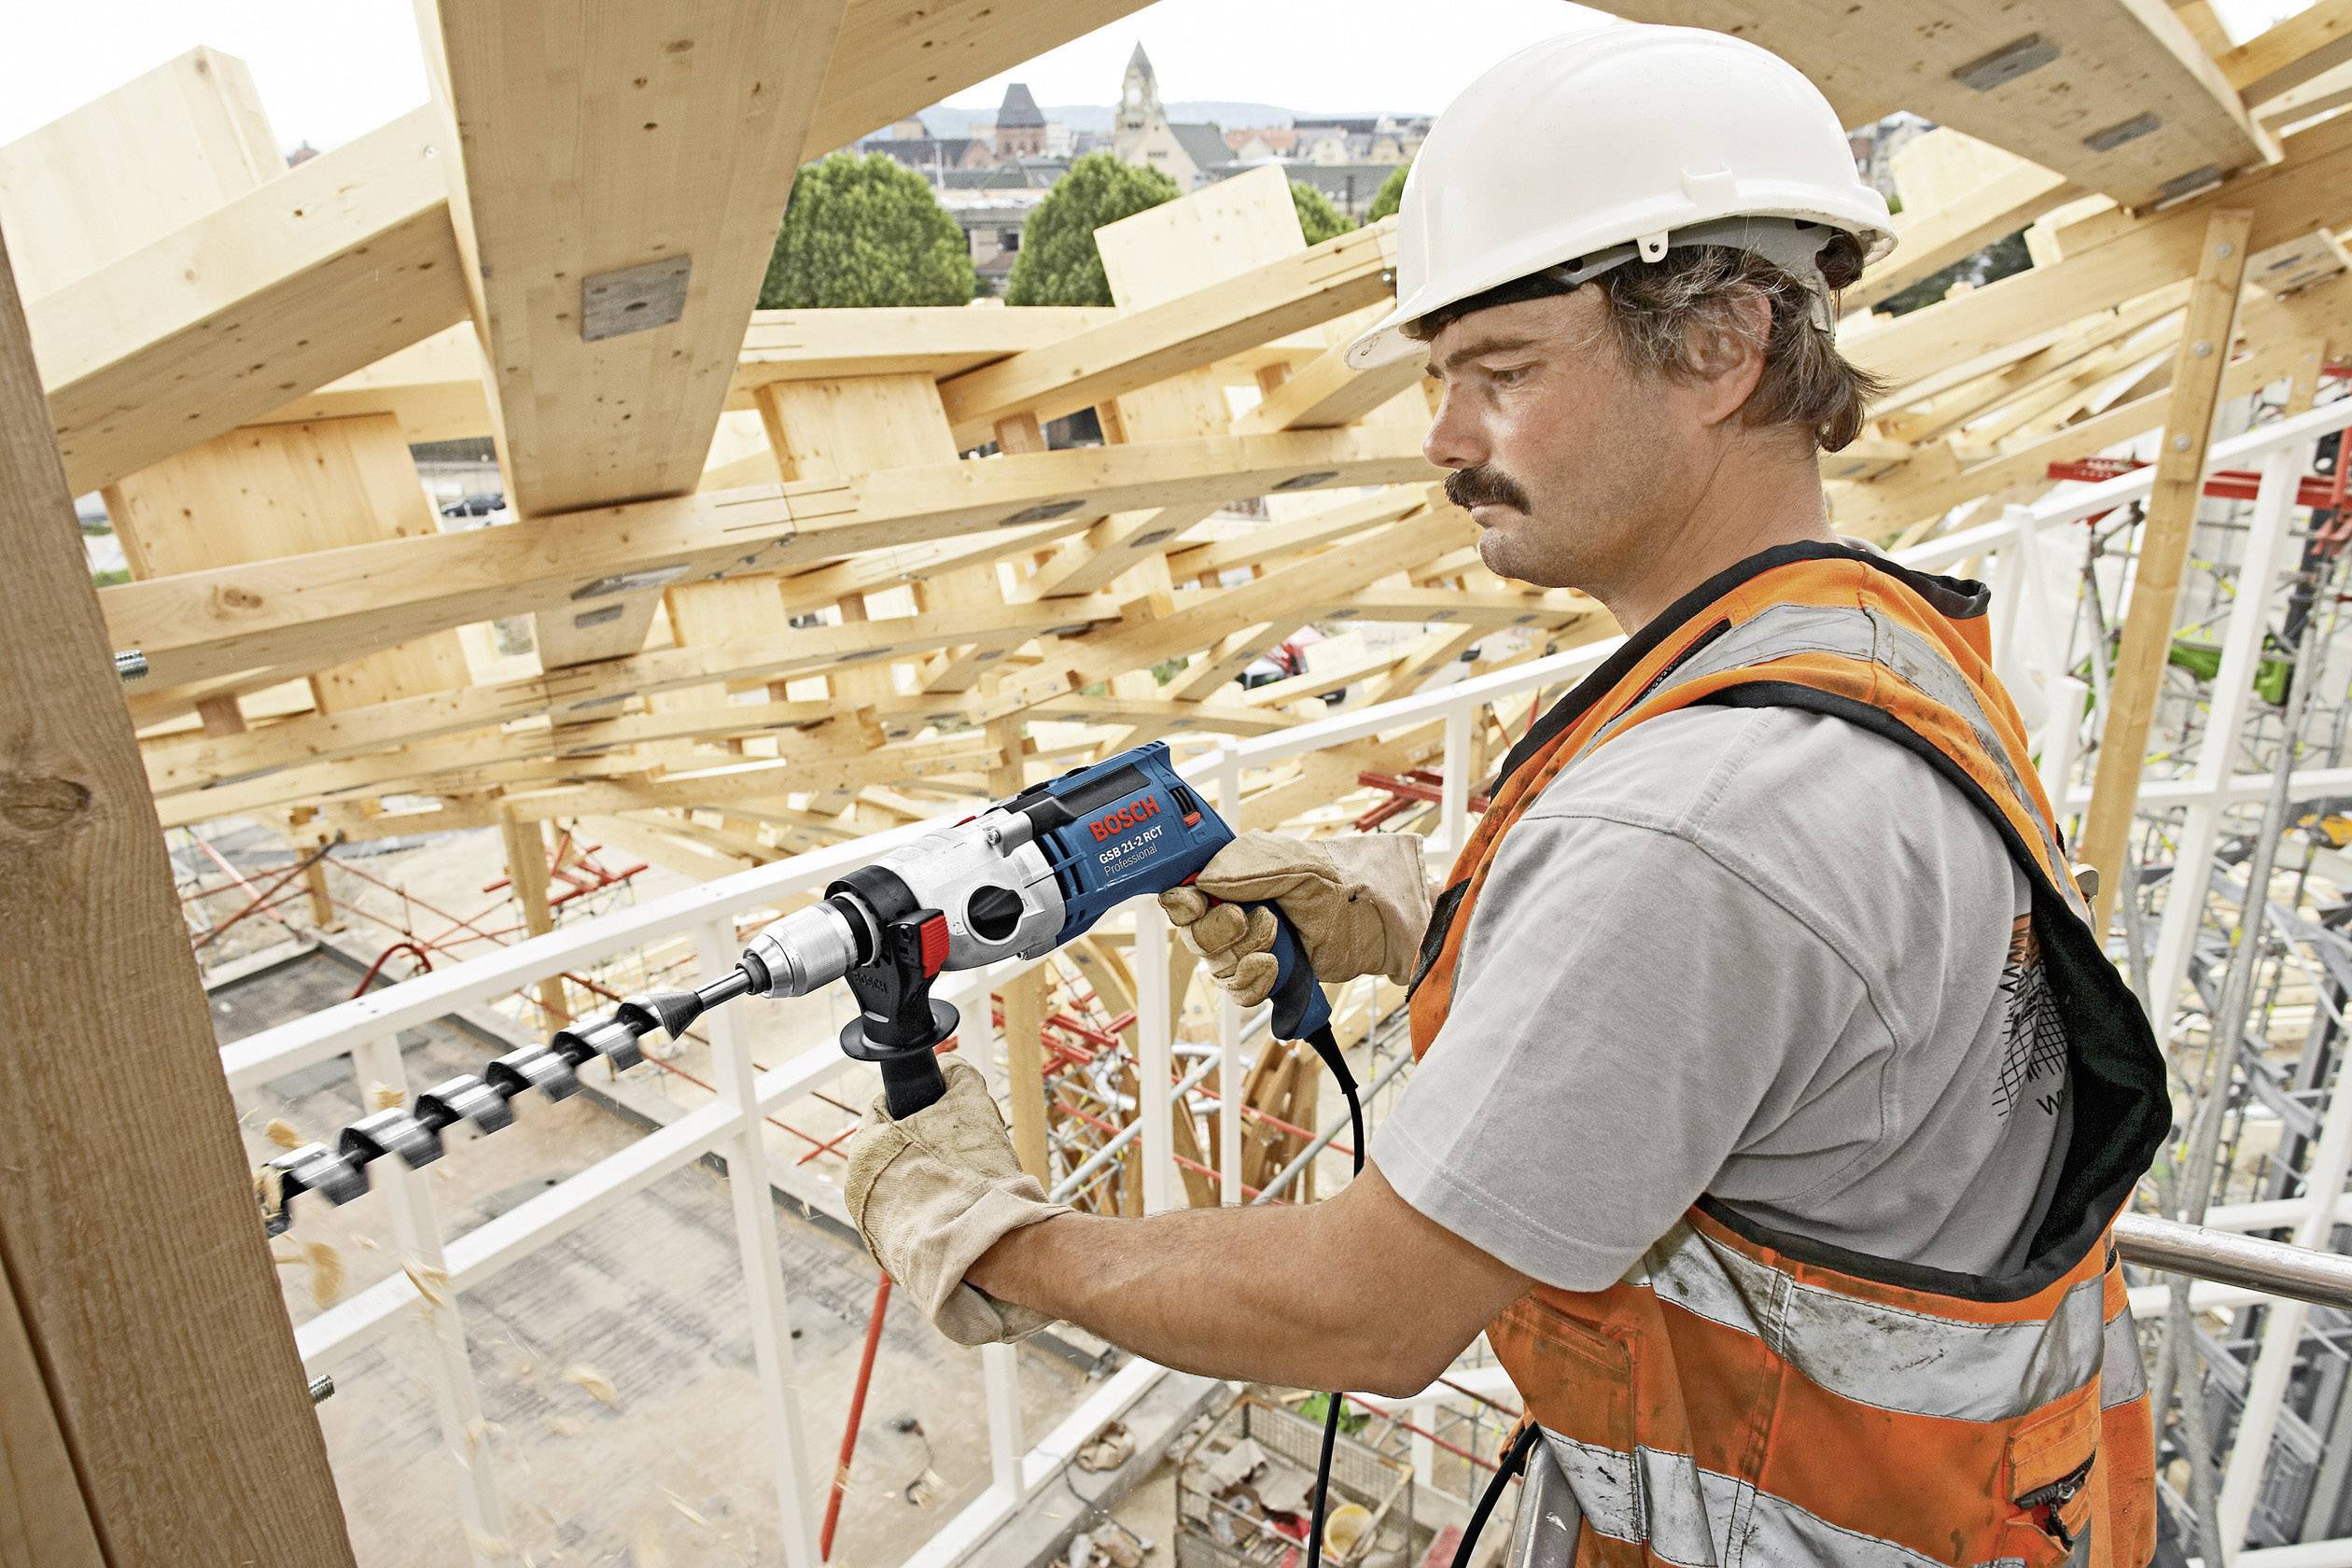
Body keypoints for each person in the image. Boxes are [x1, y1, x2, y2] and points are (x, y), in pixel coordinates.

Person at [846, 21, 2168, 1564]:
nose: (1443, 441)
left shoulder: (1696, 826)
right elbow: (1801, 1003)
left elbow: (1374, 1307)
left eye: (1501, 373)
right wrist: (1426, 913)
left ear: (1724, 350)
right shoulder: (1866, 647)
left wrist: (1001, 1242)